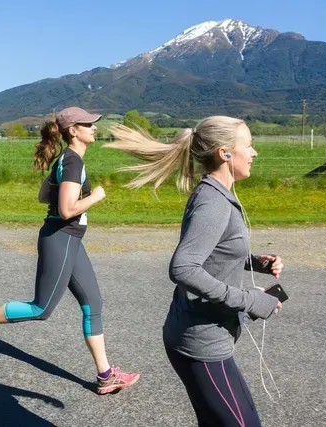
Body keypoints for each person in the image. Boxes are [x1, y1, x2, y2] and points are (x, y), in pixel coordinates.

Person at [105, 117, 284, 426]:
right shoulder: (213, 202)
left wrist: (253, 261)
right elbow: (184, 267)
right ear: (225, 153)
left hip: (203, 336)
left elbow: (212, 251)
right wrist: (251, 300)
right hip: (200, 343)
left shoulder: (218, 194)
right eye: (249, 145)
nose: (254, 152)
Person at [0, 107, 139, 395]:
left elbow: (44, 195)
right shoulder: (71, 162)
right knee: (41, 308)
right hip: (60, 238)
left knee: (93, 303)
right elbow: (67, 209)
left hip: (70, 240)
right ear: (73, 131)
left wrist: (64, 194)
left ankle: (106, 376)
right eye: (88, 124)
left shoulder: (68, 160)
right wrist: (95, 197)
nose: (94, 127)